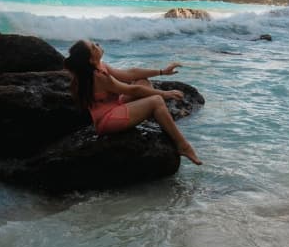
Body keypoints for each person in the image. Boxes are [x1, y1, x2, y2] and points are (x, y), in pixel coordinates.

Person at [63, 39, 202, 165]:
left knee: (143, 81)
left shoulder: (98, 66)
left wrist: (162, 71)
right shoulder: (99, 77)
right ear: (91, 60)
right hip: (107, 120)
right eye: (94, 47)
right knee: (156, 101)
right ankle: (183, 145)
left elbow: (131, 74)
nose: (98, 45)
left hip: (116, 108)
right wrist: (165, 94)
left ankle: (155, 117)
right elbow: (133, 90)